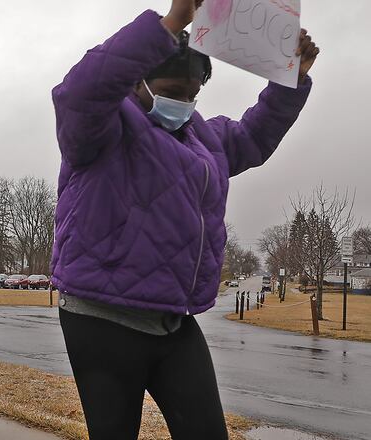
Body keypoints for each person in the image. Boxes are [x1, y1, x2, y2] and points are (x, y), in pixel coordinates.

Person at [50, 1, 318, 439]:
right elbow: (78, 91)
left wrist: (293, 78)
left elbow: (254, 136)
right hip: (101, 316)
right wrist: (170, 24)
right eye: (173, 89)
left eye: (193, 93)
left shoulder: (205, 139)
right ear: (138, 82)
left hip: (172, 318)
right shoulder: (100, 128)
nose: (184, 103)